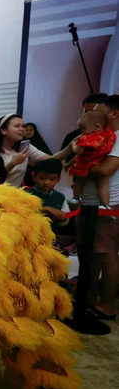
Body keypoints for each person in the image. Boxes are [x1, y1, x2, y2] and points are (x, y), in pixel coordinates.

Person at [81, 95, 119, 320]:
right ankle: (92, 296)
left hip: (110, 204)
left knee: (107, 255)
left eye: (99, 110)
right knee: (95, 254)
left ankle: (107, 305)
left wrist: (82, 166)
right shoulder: (106, 136)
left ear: (114, 113)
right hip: (96, 204)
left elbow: (105, 171)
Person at [0, 114, 70, 188]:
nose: (22, 129)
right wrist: (13, 163)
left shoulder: (24, 147)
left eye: (23, 126)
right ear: (3, 131)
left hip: (15, 197)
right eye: (17, 126)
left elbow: (51, 160)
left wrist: (70, 147)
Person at [69, 110, 116, 207]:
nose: (82, 131)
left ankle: (76, 198)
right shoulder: (108, 134)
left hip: (86, 164)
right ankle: (105, 205)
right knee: (102, 185)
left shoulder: (87, 137)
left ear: (97, 126)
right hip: (100, 162)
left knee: (79, 181)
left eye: (83, 128)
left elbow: (79, 151)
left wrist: (73, 145)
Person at [26, 158, 69, 236]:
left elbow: (64, 223)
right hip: (29, 238)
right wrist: (44, 209)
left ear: (58, 180)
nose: (46, 182)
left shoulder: (60, 197)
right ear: (34, 177)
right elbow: (21, 216)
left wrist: (63, 218)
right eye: (42, 178)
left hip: (51, 238)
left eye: (52, 179)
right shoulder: (26, 194)